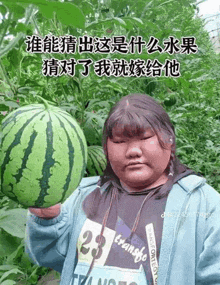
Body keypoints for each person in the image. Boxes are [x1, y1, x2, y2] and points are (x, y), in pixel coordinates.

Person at [25, 94, 220, 285]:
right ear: (106, 148)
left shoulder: (203, 204)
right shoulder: (81, 195)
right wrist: (46, 221)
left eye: (144, 138)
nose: (133, 151)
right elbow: (49, 257)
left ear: (169, 141)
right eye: (119, 141)